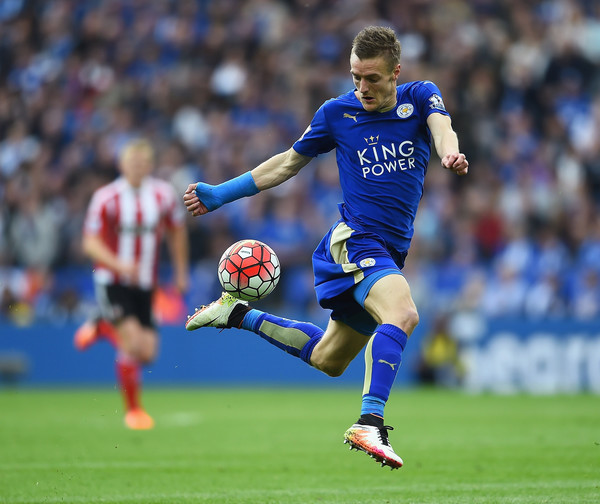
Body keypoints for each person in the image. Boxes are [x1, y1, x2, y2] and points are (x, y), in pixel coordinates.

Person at [183, 26, 468, 468]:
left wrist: (450, 153)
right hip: (354, 241)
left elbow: (441, 127)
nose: (362, 88)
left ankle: (238, 313)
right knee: (404, 313)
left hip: (388, 252)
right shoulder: (337, 113)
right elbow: (286, 163)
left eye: (372, 78)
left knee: (329, 359)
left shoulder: (421, 96)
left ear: (396, 72)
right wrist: (221, 192)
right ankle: (370, 422)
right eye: (355, 76)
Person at [74, 138, 189, 430]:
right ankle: (134, 411)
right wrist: (119, 265)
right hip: (112, 281)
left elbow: (177, 232)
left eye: (142, 163)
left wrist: (180, 272)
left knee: (148, 353)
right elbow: (90, 243)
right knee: (132, 343)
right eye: (132, 163)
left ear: (149, 166)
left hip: (146, 284)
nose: (137, 168)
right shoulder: (106, 198)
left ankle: (101, 326)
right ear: (121, 165)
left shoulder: (163, 196)